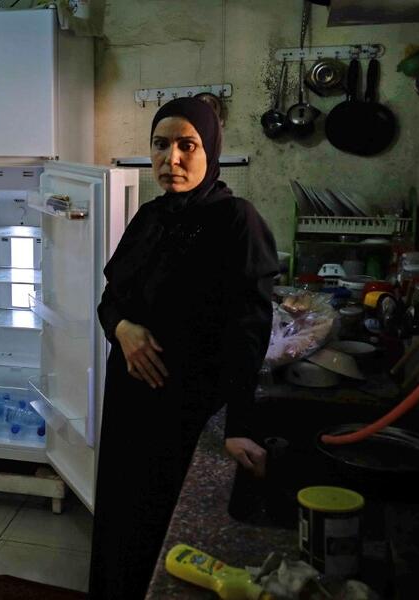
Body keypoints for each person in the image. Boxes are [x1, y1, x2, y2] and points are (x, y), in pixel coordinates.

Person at [87, 97, 278, 599]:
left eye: (186, 145)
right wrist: (122, 328)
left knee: (169, 532)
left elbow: (250, 327)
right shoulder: (149, 218)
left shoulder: (237, 221)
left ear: (210, 150)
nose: (171, 159)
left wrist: (239, 426)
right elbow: (110, 300)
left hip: (188, 409)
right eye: (160, 145)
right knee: (123, 523)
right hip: (130, 405)